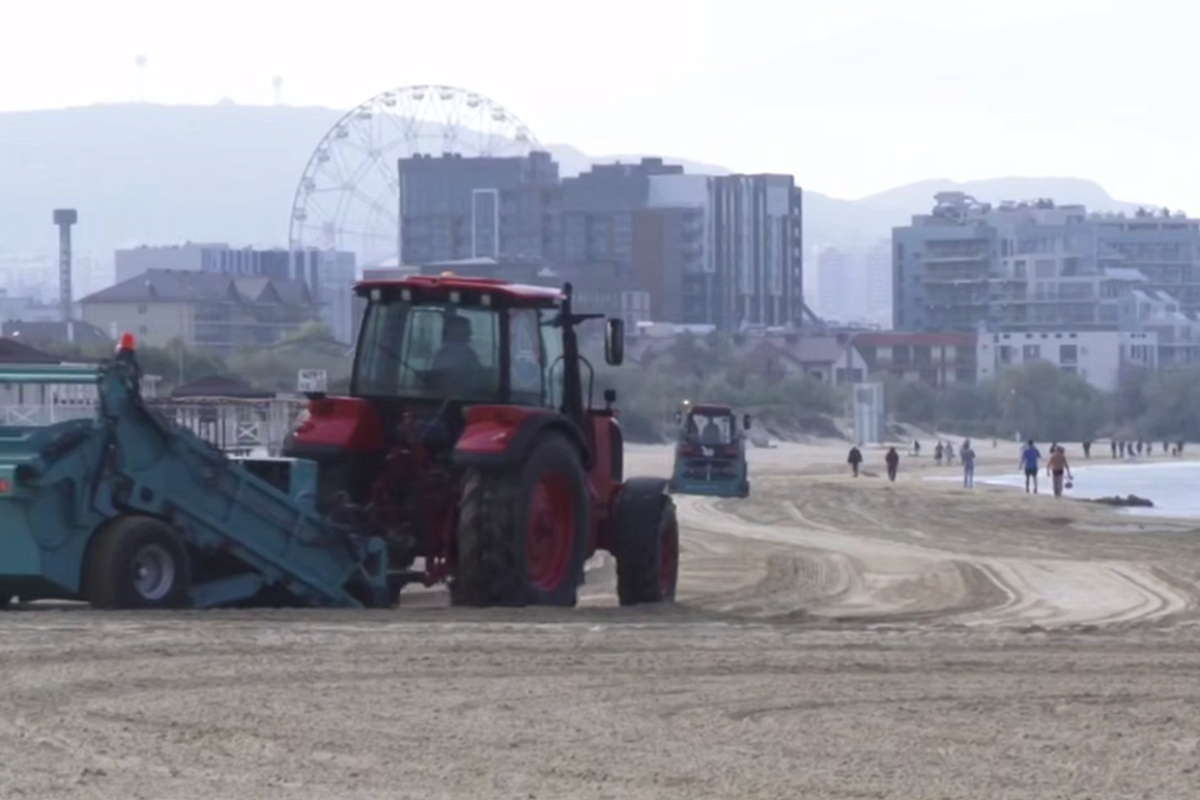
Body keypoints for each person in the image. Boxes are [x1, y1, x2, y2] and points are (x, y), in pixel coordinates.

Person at [430, 315, 483, 393]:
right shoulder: (442, 355)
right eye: (455, 331)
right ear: (448, 333)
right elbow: (437, 379)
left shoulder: (471, 354)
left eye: (462, 331)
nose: (458, 334)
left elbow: (479, 376)